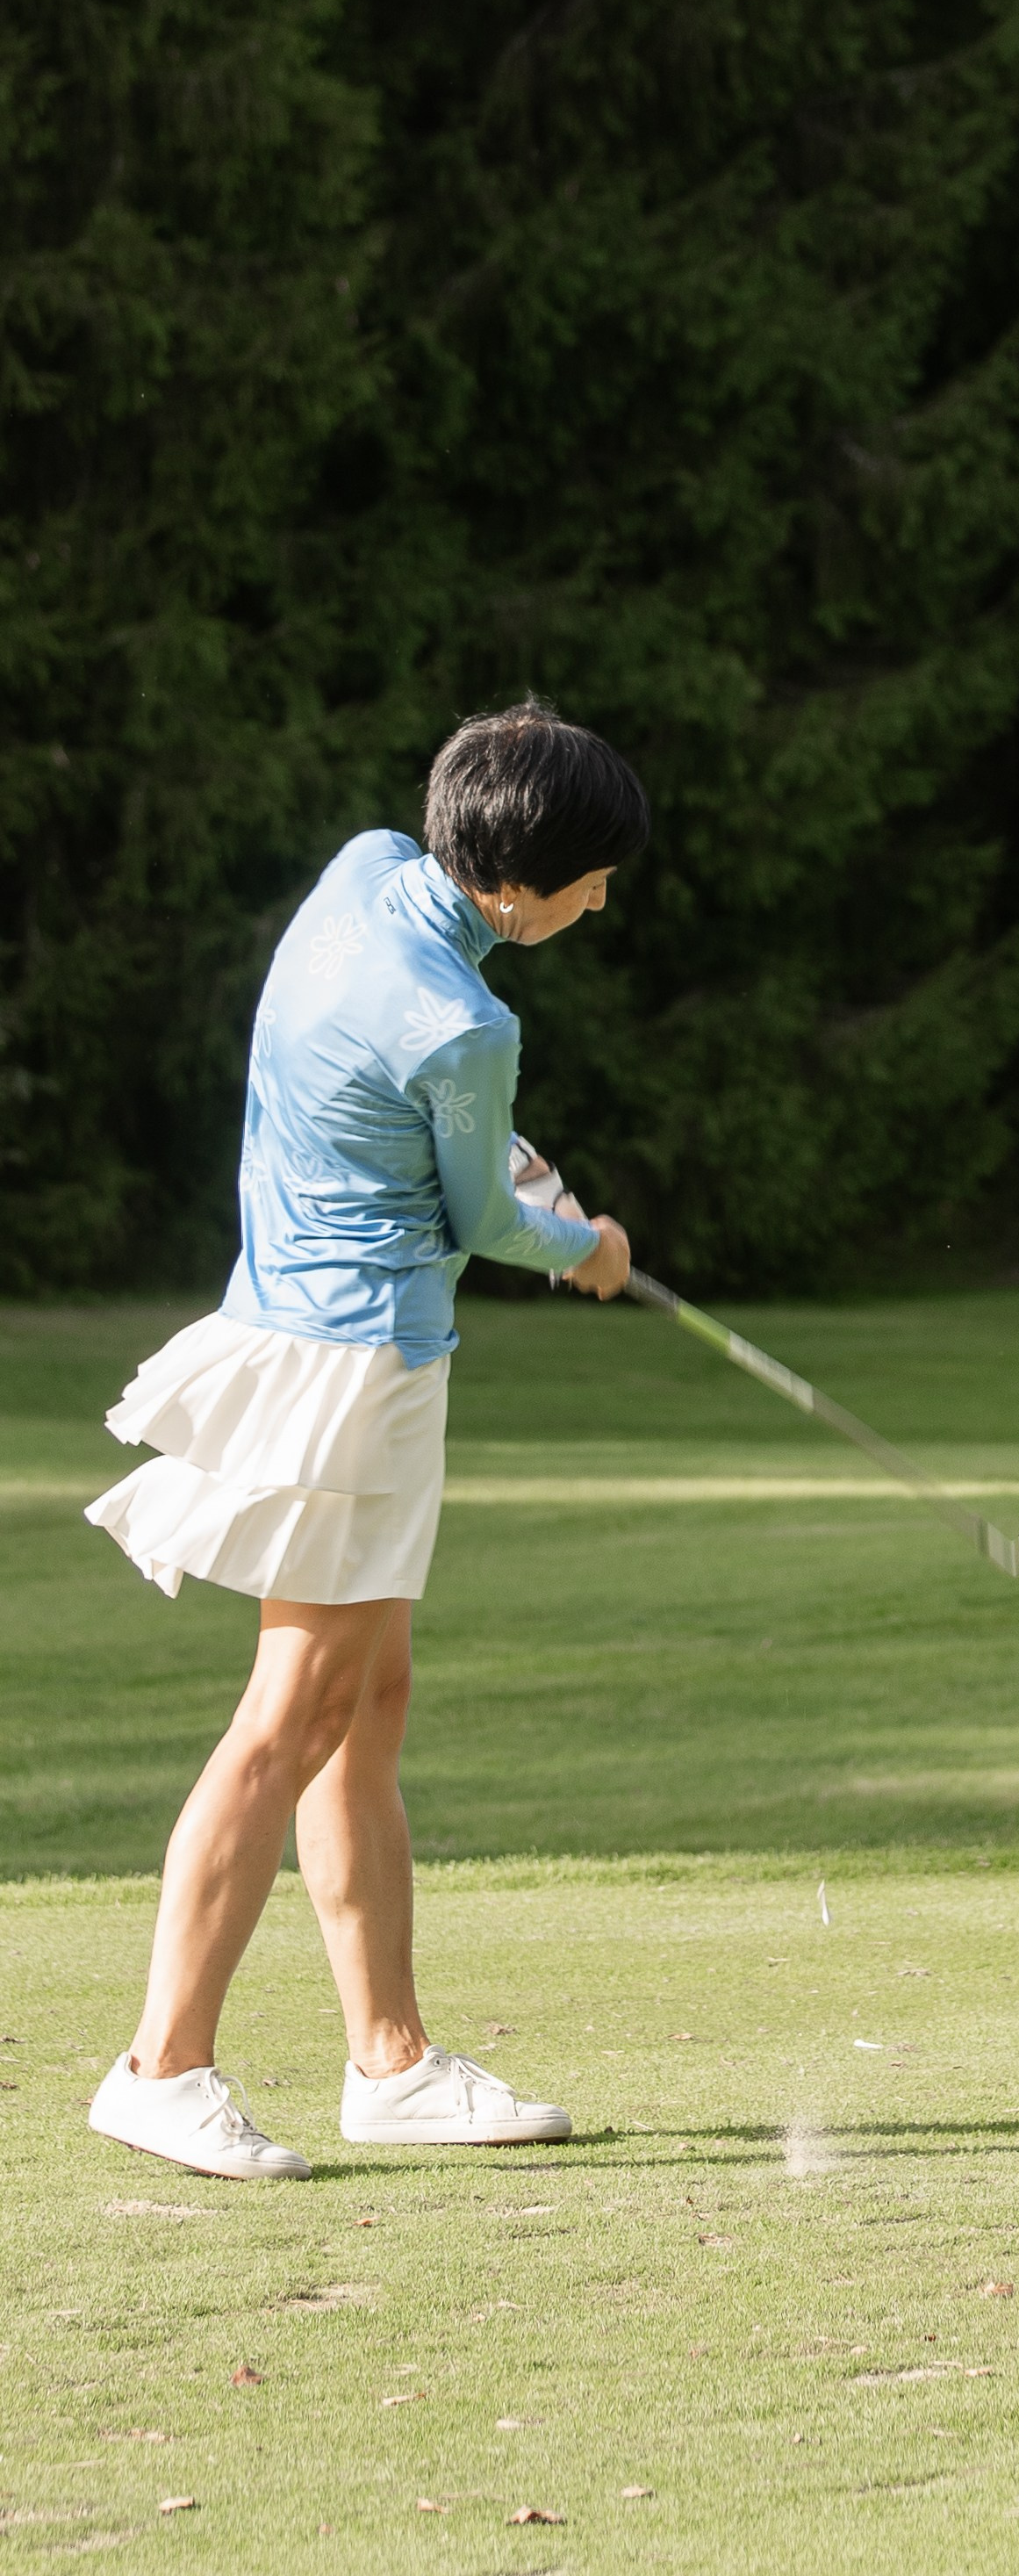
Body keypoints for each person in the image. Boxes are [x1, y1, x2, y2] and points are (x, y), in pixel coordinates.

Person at [83, 701, 646, 2182]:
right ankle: (161, 2065)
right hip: (356, 1367)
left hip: (295, 1328)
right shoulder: (471, 1021)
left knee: (365, 1701)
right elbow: (481, 1222)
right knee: (289, 1718)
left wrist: (512, 1157)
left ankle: (389, 2062)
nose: (603, 900)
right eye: (595, 878)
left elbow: (394, 1101)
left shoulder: (364, 872)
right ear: (521, 887)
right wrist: (581, 1240)